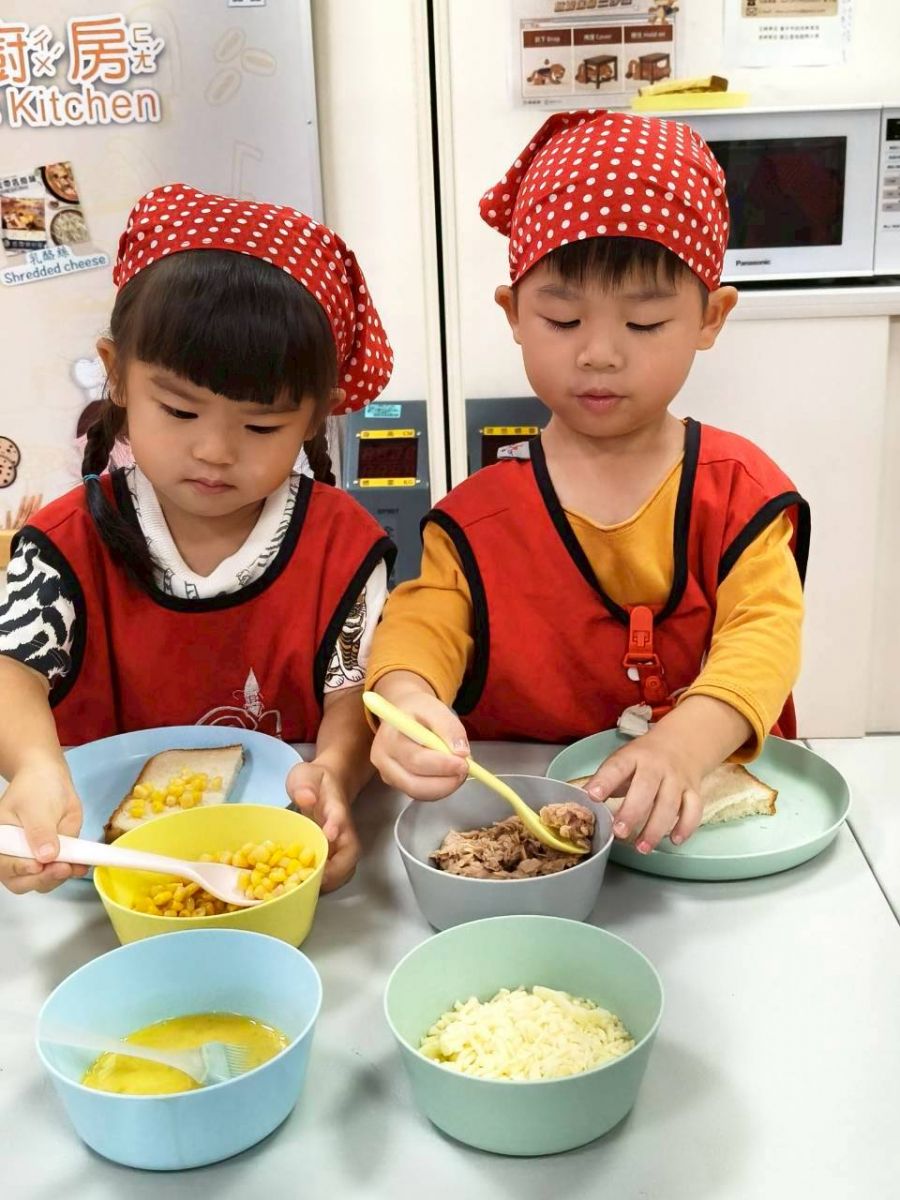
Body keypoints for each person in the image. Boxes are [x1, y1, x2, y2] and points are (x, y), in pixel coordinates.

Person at [368, 110, 808, 857]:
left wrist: (687, 740)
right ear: (514, 313)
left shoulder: (740, 494)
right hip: (528, 839)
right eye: (563, 320)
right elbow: (423, 620)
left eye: (645, 324)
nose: (599, 354)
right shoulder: (476, 520)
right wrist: (407, 698)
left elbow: (764, 632)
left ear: (711, 318)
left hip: (706, 842)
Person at [0, 183, 395, 895]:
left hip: (274, 864)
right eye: (180, 411)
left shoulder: (342, 545)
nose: (215, 451)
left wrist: (334, 776)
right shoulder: (65, 541)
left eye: (261, 425)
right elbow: (12, 670)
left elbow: (356, 696)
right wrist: (32, 766)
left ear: (318, 416)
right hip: (91, 878)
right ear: (116, 375)